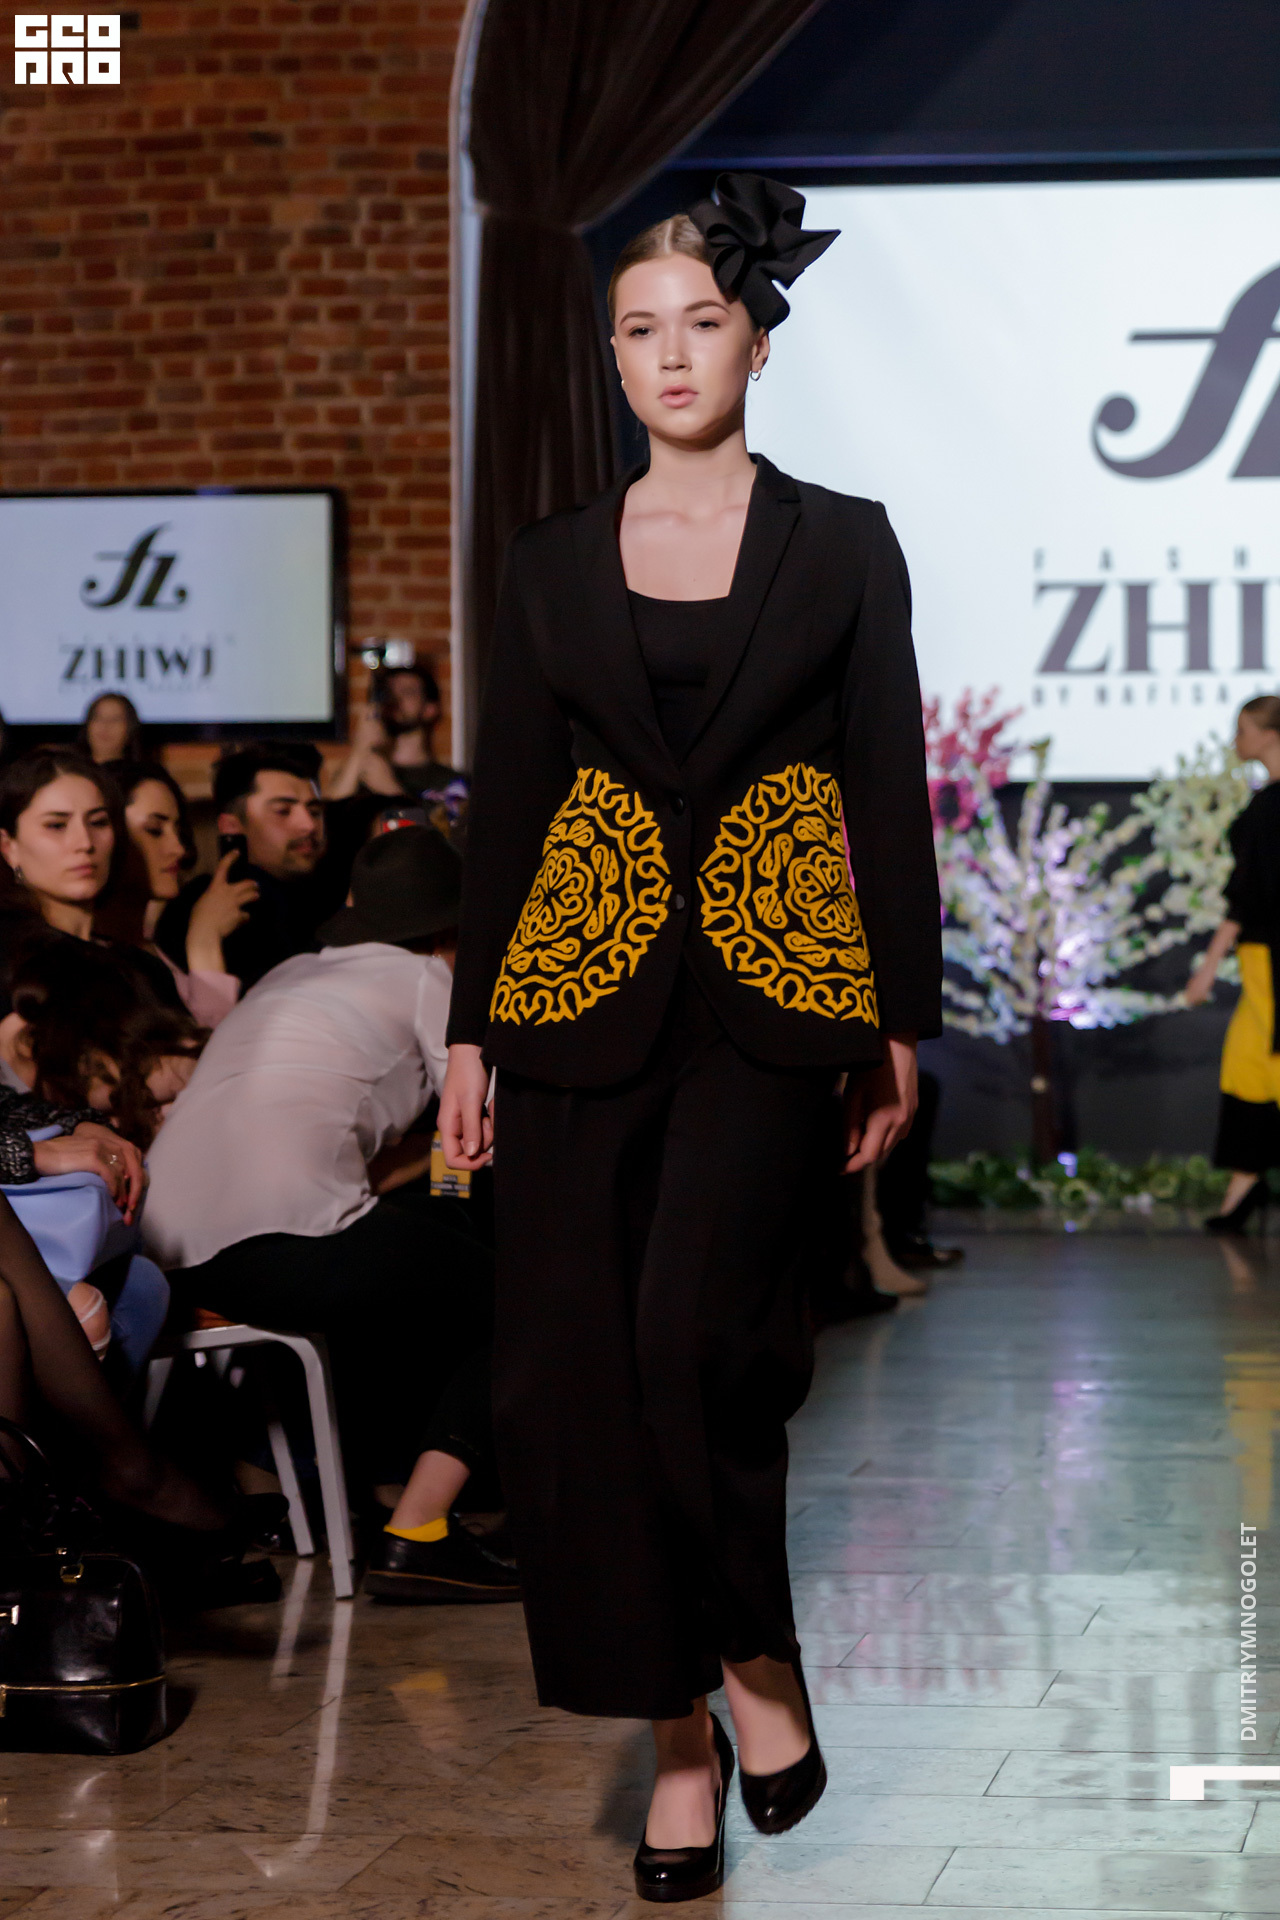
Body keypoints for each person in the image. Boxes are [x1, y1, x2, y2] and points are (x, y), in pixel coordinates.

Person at [440, 173, 942, 1901]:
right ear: (610, 356)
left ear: (756, 342)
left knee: (694, 1346)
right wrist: (469, 1032)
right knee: (567, 1380)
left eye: (701, 323)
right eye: (637, 330)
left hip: (776, 991)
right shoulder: (549, 560)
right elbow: (513, 807)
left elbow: (885, 783)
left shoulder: (844, 542)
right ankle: (676, 1742)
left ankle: (753, 1659)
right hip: (572, 990)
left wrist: (895, 1017)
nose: (669, 355)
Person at [144, 826, 519, 1603]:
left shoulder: (293, 971)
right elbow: (486, 1124)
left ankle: (386, 1485)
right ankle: (420, 1529)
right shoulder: (428, 976)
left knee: (428, 1249)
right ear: (450, 930)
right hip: (286, 1238)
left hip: (172, 1247)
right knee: (527, 1302)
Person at [1186, 695, 1280, 1232]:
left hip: (1270, 958)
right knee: (1248, 1064)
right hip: (1260, 959)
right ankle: (1244, 1188)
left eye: (1243, 729)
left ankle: (1245, 1188)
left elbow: (1246, 897)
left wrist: (1207, 967)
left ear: (1269, 734)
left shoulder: (1271, 808)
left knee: (1267, 1062)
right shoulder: (1267, 803)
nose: (1235, 740)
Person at [155, 742, 331, 992]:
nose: (309, 825)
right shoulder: (206, 907)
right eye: (283, 811)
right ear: (231, 826)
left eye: (314, 811)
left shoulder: (330, 891)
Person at [111, 760, 255, 1027]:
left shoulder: (147, 942)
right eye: (155, 831)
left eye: (179, 831)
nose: (179, 848)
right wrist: (204, 940)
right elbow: (214, 1048)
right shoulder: (100, 957)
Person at [328, 660, 470, 834]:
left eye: (407, 692)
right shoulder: (364, 770)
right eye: (389, 692)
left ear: (429, 709)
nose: (395, 698)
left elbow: (445, 842)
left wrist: (391, 790)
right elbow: (327, 825)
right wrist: (359, 749)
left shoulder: (451, 782)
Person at [79, 691, 145, 769]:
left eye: (115, 719)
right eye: (98, 718)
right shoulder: (71, 770)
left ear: (130, 728)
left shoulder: (144, 774)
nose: (105, 725)